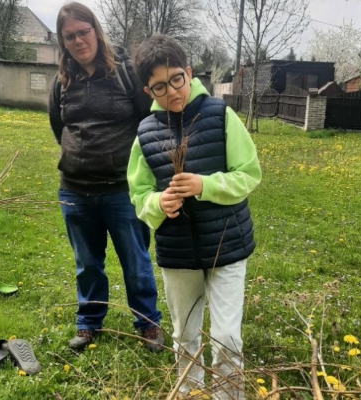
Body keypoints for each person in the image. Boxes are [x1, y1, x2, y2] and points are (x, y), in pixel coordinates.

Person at [128, 33, 262, 399]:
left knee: (226, 337)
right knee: (184, 335)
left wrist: (205, 185)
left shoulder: (221, 116)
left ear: (189, 73)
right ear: (147, 91)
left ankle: (227, 395)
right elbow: (138, 194)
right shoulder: (145, 134)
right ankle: (190, 393)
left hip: (226, 244)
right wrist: (159, 204)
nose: (171, 92)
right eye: (159, 87)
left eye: (176, 79)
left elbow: (249, 174)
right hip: (178, 252)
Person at [48, 2, 163, 352]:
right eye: (70, 36)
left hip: (122, 190)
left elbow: (149, 124)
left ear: (96, 31)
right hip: (75, 191)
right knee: (87, 263)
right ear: (63, 42)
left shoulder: (127, 73)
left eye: (83, 32)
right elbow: (59, 126)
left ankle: (148, 324)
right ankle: (88, 323)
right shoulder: (62, 82)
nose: (79, 40)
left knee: (136, 260)